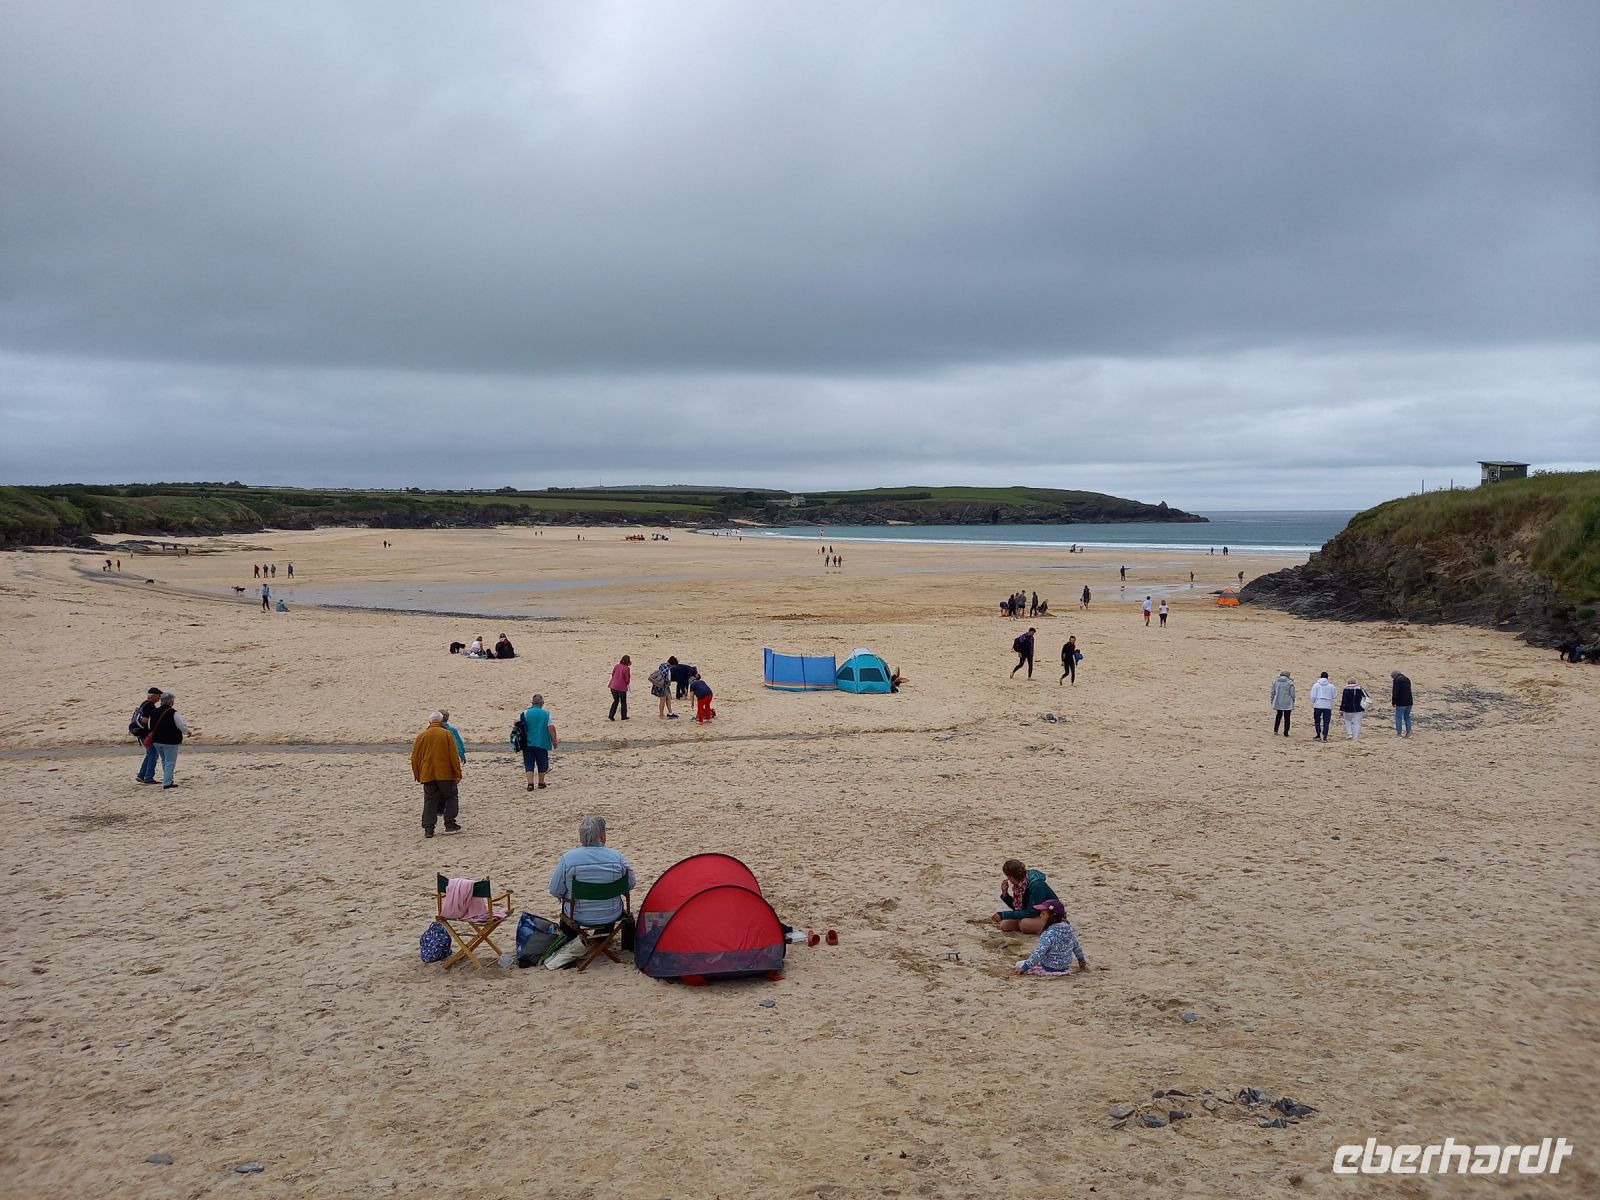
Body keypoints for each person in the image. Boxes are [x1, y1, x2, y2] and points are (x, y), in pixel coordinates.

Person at [544, 815, 637, 970]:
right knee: (606, 901)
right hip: (611, 914)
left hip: (578, 916)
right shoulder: (617, 857)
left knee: (567, 906)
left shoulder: (568, 858)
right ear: (602, 835)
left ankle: (572, 943)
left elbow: (554, 890)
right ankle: (602, 940)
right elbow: (631, 883)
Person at [410, 711, 462, 838]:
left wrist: (417, 774)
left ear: (429, 722)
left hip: (428, 774)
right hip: (445, 774)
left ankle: (429, 829)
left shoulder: (422, 736)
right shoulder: (447, 734)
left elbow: (415, 757)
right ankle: (449, 823)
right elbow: (453, 756)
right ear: (441, 721)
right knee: (451, 796)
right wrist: (457, 773)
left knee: (429, 800)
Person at [1013, 899, 1088, 976]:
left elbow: (1039, 953)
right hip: (1065, 968)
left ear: (1052, 917)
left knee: (1019, 964)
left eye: (1043, 913)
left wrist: (1024, 968)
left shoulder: (1049, 934)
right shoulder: (1069, 930)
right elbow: (1077, 947)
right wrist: (1081, 960)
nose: (1040, 915)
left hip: (1049, 968)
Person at [992, 859, 1059, 934]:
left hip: (1049, 915)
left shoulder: (1036, 885)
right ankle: (1033, 926)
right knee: (1005, 925)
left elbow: (1032, 911)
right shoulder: (1020, 886)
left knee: (1024, 924)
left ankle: (1046, 928)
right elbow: (1018, 908)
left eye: (1008, 877)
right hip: (1035, 914)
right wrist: (1005, 894)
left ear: (1012, 877)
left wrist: (1004, 915)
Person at [148, 692, 191, 789]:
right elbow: (181, 725)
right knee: (170, 761)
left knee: (164, 760)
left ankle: (167, 779)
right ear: (171, 702)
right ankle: (167, 782)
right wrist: (187, 732)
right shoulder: (173, 713)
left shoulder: (154, 711)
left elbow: (150, 726)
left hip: (156, 741)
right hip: (170, 741)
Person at [520, 693, 558, 790]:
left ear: (532, 703)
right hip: (542, 742)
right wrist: (554, 741)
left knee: (529, 763)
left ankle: (530, 783)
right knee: (542, 762)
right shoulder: (546, 714)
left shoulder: (526, 713)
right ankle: (541, 782)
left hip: (527, 742)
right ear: (542, 703)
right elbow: (551, 728)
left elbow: (516, 722)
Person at [133, 685, 163, 784]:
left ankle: (142, 775)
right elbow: (145, 720)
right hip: (145, 733)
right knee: (153, 753)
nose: (159, 697)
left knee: (150, 753)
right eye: (158, 695)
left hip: (140, 733)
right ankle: (148, 777)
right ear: (153, 696)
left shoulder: (144, 704)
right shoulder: (149, 705)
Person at [1309, 671, 1336, 741]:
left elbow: (1313, 695)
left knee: (1317, 720)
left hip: (1318, 704)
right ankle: (1325, 736)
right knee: (1326, 722)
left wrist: (1314, 702)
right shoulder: (1331, 686)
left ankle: (1318, 734)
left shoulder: (1316, 685)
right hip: (1327, 705)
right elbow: (1334, 695)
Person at [1270, 670, 1295, 737]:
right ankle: (1286, 732)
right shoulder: (1290, 682)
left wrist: (1272, 700)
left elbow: (1273, 692)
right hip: (1287, 701)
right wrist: (1293, 700)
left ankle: (1275, 730)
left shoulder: (1275, 681)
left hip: (1278, 700)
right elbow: (1292, 693)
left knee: (1278, 715)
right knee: (1287, 717)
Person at [607, 655, 632, 720]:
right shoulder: (626, 668)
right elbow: (627, 679)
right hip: (621, 687)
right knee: (623, 702)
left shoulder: (617, 666)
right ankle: (623, 716)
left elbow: (613, 674)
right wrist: (627, 684)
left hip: (613, 686)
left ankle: (611, 715)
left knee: (616, 701)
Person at [1391, 670, 1414, 738]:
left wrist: (1393, 702)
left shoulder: (1397, 681)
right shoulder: (1407, 679)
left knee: (1398, 718)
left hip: (1401, 702)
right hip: (1409, 701)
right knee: (1407, 717)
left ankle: (1399, 734)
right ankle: (1409, 733)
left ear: (1394, 676)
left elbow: (1395, 692)